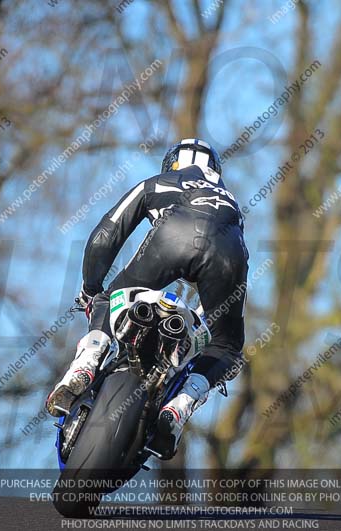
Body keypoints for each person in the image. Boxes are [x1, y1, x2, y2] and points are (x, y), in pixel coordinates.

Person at [46, 138, 249, 457]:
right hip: (228, 254)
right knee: (226, 346)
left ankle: (85, 364)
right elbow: (232, 267)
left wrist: (91, 289)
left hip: (171, 238)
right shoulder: (231, 202)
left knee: (105, 299)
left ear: (171, 165)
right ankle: (180, 407)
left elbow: (104, 237)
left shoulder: (157, 182)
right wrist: (216, 339)